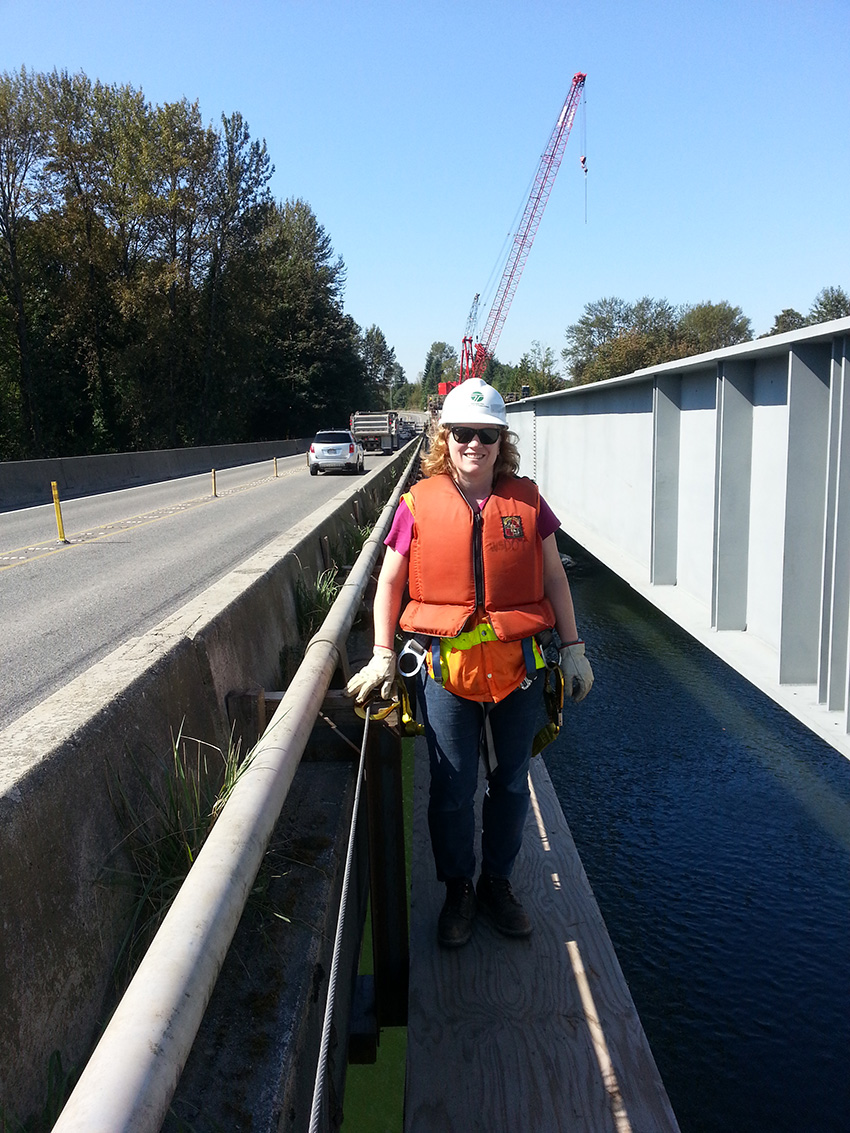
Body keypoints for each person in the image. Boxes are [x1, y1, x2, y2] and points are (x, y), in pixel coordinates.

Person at [345, 378, 593, 948]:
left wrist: (574, 647)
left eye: (486, 435)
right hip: (446, 676)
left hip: (519, 672)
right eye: (463, 434)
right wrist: (384, 654)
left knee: (509, 784)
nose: (474, 445)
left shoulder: (528, 502)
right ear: (445, 436)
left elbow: (554, 577)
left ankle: (497, 885)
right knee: (452, 789)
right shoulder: (417, 505)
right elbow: (389, 583)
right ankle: (458, 888)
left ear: (500, 441)